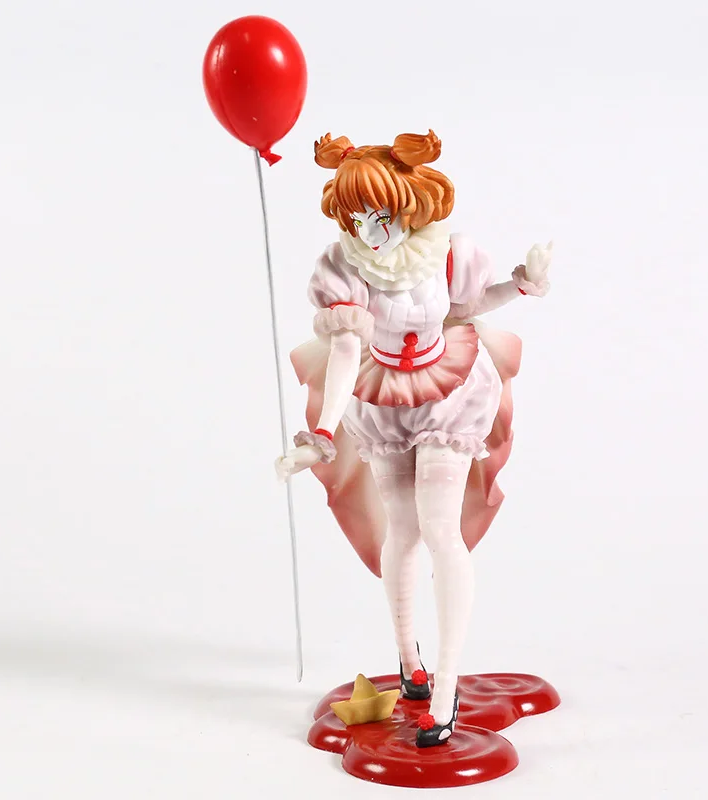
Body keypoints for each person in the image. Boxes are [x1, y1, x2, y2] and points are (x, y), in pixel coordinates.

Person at [276, 130, 552, 747]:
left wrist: (521, 285)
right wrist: (321, 432)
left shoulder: (448, 254)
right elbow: (344, 353)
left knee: (441, 530)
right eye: (356, 217)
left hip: (447, 390)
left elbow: (466, 307)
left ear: (409, 204)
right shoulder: (343, 267)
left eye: (379, 214)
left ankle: (447, 688)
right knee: (401, 529)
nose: (369, 230)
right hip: (381, 396)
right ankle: (410, 663)